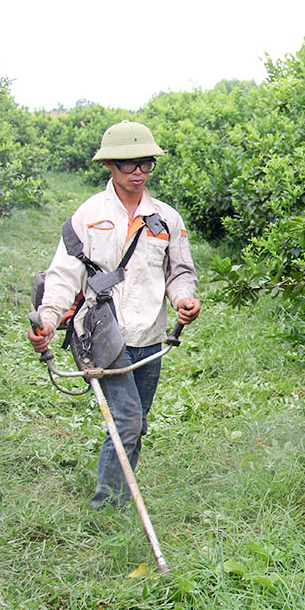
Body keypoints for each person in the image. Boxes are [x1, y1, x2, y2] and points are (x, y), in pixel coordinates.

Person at [28, 120, 201, 509]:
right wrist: (50, 320)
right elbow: (62, 275)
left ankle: (118, 497)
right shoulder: (88, 216)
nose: (137, 172)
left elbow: (180, 272)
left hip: (149, 336)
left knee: (133, 426)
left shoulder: (167, 220)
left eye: (145, 163)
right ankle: (106, 505)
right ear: (109, 165)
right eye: (128, 164)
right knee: (127, 421)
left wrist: (183, 299)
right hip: (102, 334)